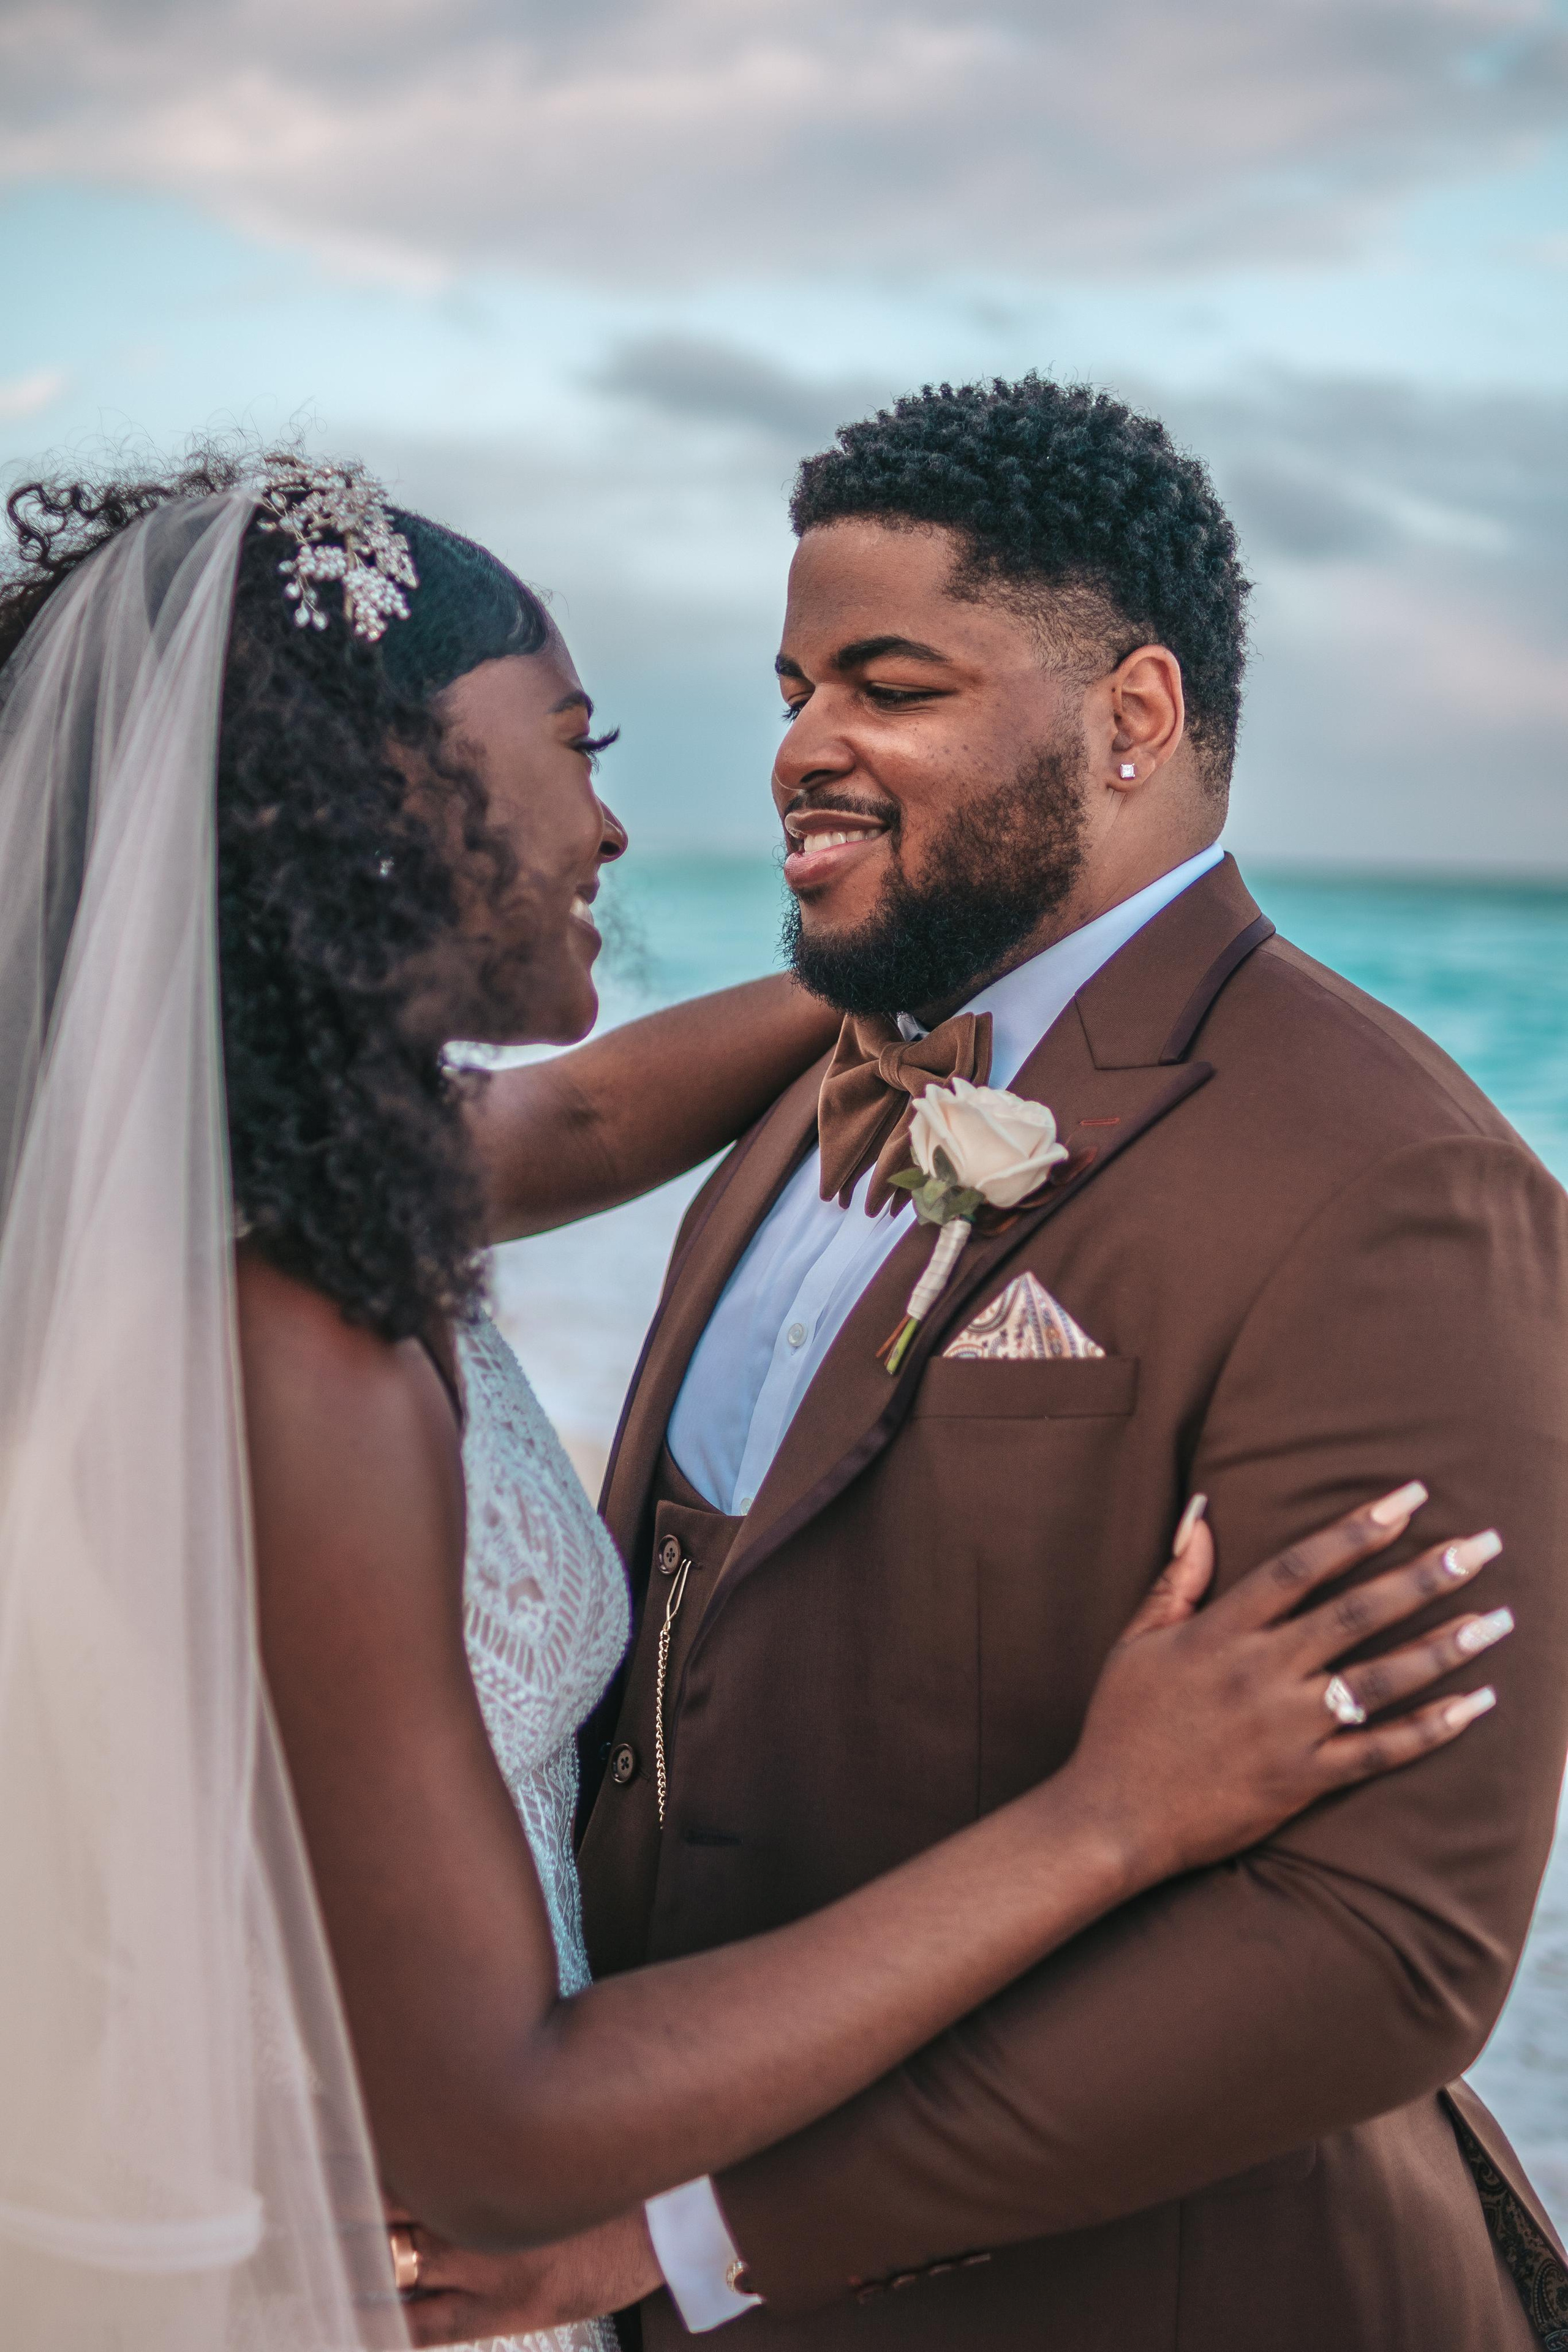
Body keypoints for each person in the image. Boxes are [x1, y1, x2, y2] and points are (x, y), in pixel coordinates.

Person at [0, 448, 1509, 2352]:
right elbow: (503, 2114)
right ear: (361, 799)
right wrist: (1110, 1819)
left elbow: (583, 1115)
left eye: (888, 686)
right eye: (583, 743)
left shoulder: (195, 1171)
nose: (643, 810)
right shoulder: (298, 1324)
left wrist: (960, 943)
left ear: (1134, 716)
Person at [556, 379, 1568, 2351]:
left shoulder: (1396, 1181)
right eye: (794, 687)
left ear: (1135, 715)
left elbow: (1379, 1950)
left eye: (892, 684)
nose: (802, 747)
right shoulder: (804, 1094)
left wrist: (688, 2235)